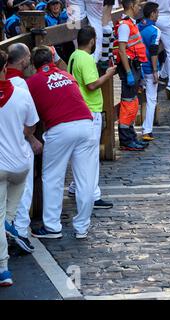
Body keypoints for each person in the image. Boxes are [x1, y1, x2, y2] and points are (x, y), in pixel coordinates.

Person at [27, 46, 97, 239]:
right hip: (85, 123)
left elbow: (29, 113)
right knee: (86, 179)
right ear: (52, 60)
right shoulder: (67, 75)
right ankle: (82, 226)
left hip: (60, 128)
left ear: (34, 65)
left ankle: (52, 226)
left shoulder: (32, 82)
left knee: (53, 177)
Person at [0, 49, 40, 286]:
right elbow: (31, 127)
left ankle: (3, 268)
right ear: (5, 68)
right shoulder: (23, 94)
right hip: (19, 166)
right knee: (9, 207)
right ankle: (10, 222)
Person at [67, 26, 115, 209]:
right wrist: (109, 75)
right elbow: (92, 85)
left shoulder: (74, 55)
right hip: (90, 108)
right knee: (91, 156)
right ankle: (93, 194)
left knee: (80, 153)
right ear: (93, 41)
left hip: (80, 107)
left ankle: (75, 186)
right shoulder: (86, 59)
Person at [112, 0, 149, 151]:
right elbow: (121, 50)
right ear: (132, 6)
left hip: (134, 66)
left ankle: (131, 136)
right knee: (128, 103)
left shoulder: (130, 23)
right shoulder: (125, 26)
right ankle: (126, 140)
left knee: (132, 102)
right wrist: (128, 73)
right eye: (138, 5)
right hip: (130, 68)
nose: (140, 8)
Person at [138, 2, 161, 142]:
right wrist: (154, 71)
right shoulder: (155, 30)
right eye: (157, 12)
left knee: (135, 99)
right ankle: (147, 130)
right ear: (152, 13)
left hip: (137, 67)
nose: (158, 15)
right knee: (151, 99)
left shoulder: (137, 26)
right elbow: (153, 52)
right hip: (148, 68)